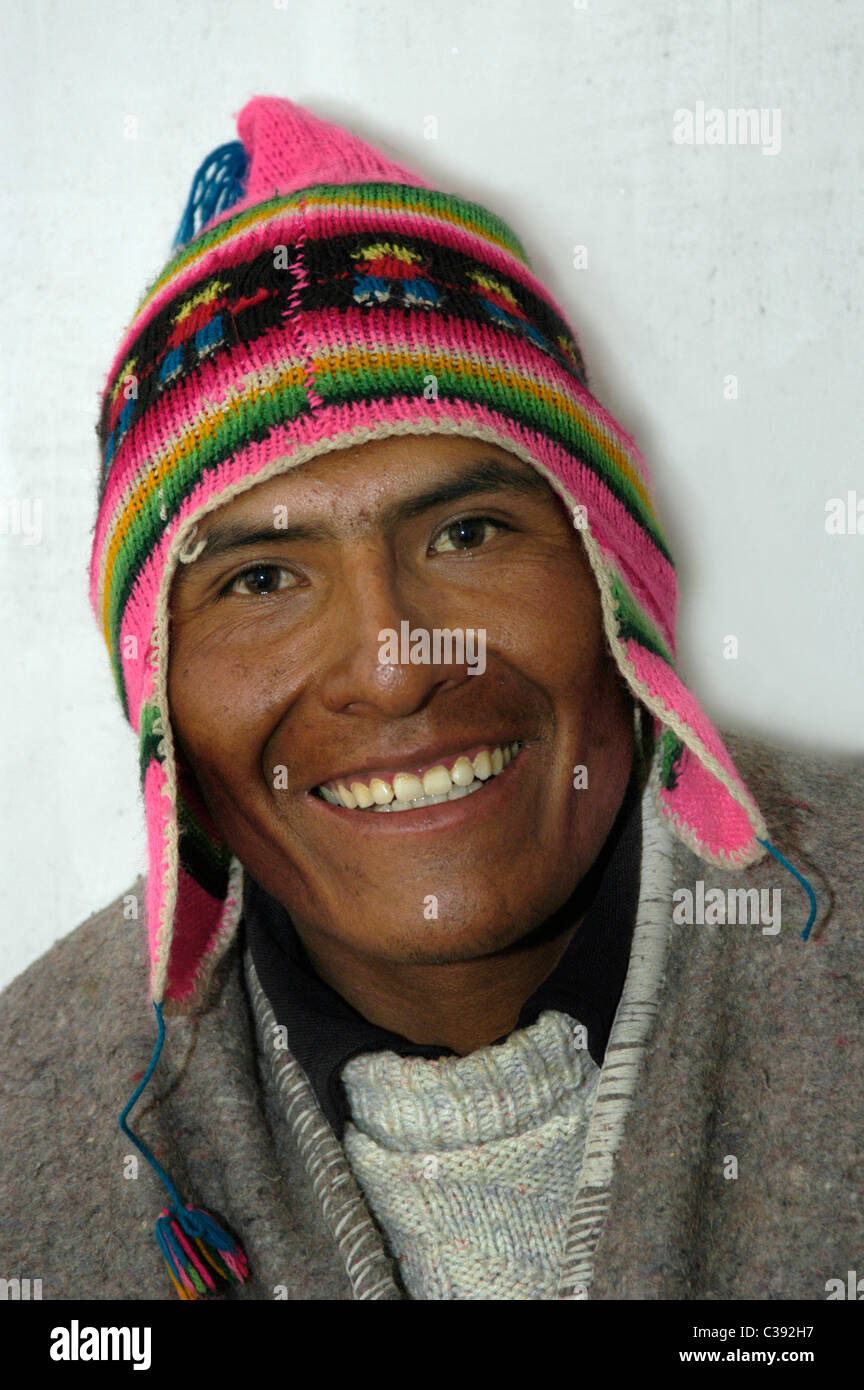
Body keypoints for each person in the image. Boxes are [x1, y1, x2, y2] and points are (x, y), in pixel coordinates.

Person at [0, 95, 861, 1303]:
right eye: (260, 577)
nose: (397, 663)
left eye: (468, 530)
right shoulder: (28, 1135)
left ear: (617, 576)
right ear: (158, 708)